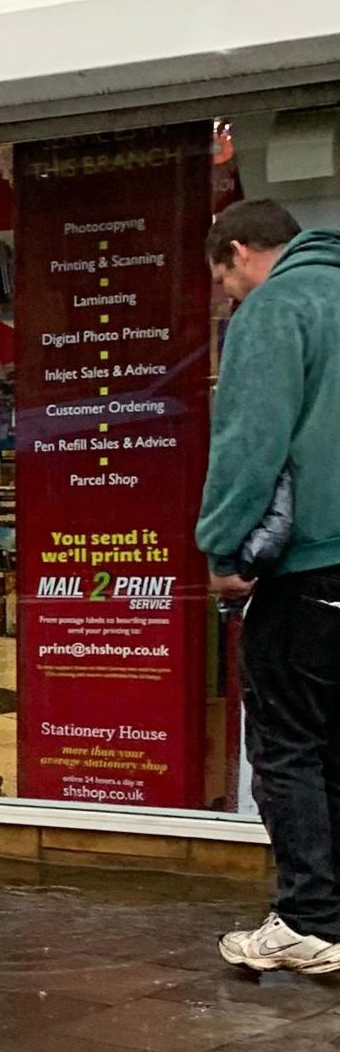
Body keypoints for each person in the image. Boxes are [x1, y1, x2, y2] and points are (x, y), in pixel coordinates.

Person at [200, 198, 340, 976]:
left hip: (311, 564)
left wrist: (222, 545)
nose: (232, 299)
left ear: (243, 252)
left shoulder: (276, 308)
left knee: (288, 746)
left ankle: (309, 921)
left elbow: (250, 440)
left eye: (228, 283)